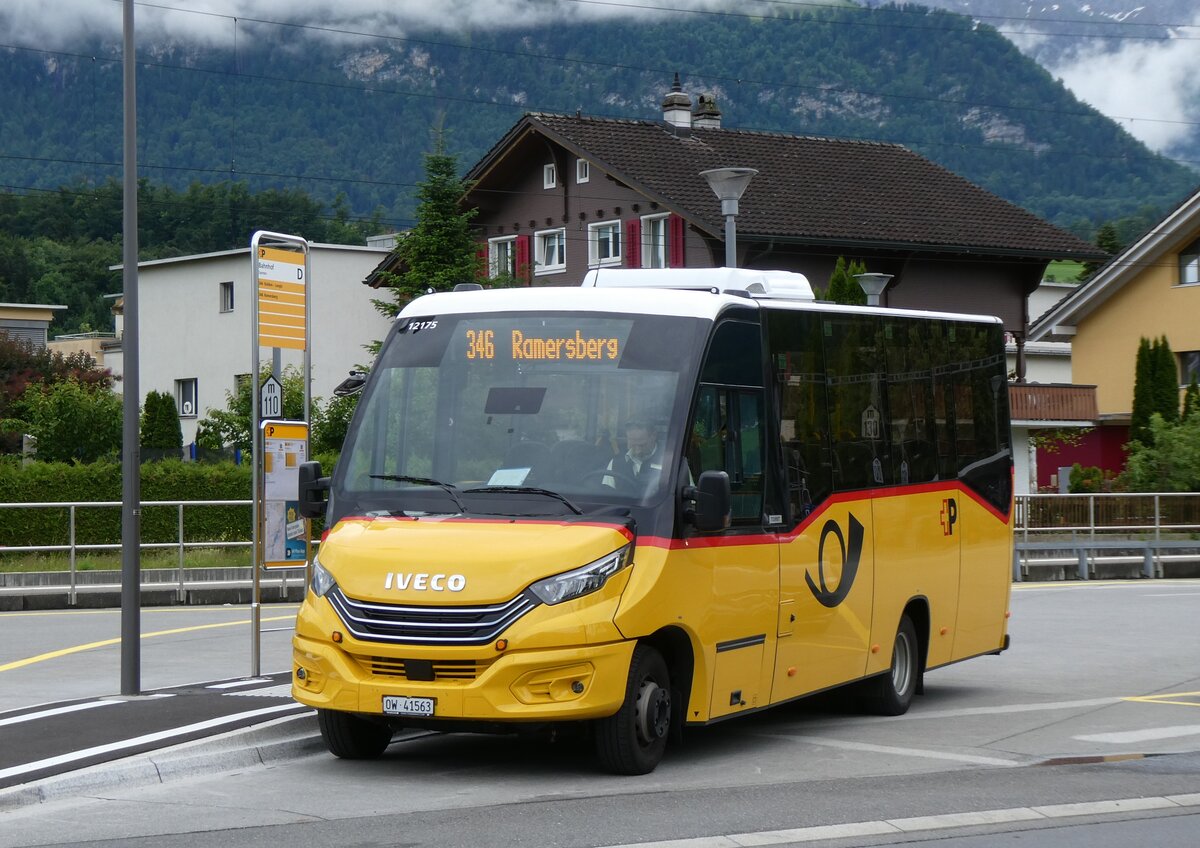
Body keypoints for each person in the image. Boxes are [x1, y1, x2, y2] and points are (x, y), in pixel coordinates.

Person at [602, 420, 664, 492]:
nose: (638, 451)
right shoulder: (616, 463)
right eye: (633, 445)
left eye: (641, 445)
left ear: (653, 436)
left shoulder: (668, 461)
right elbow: (606, 493)